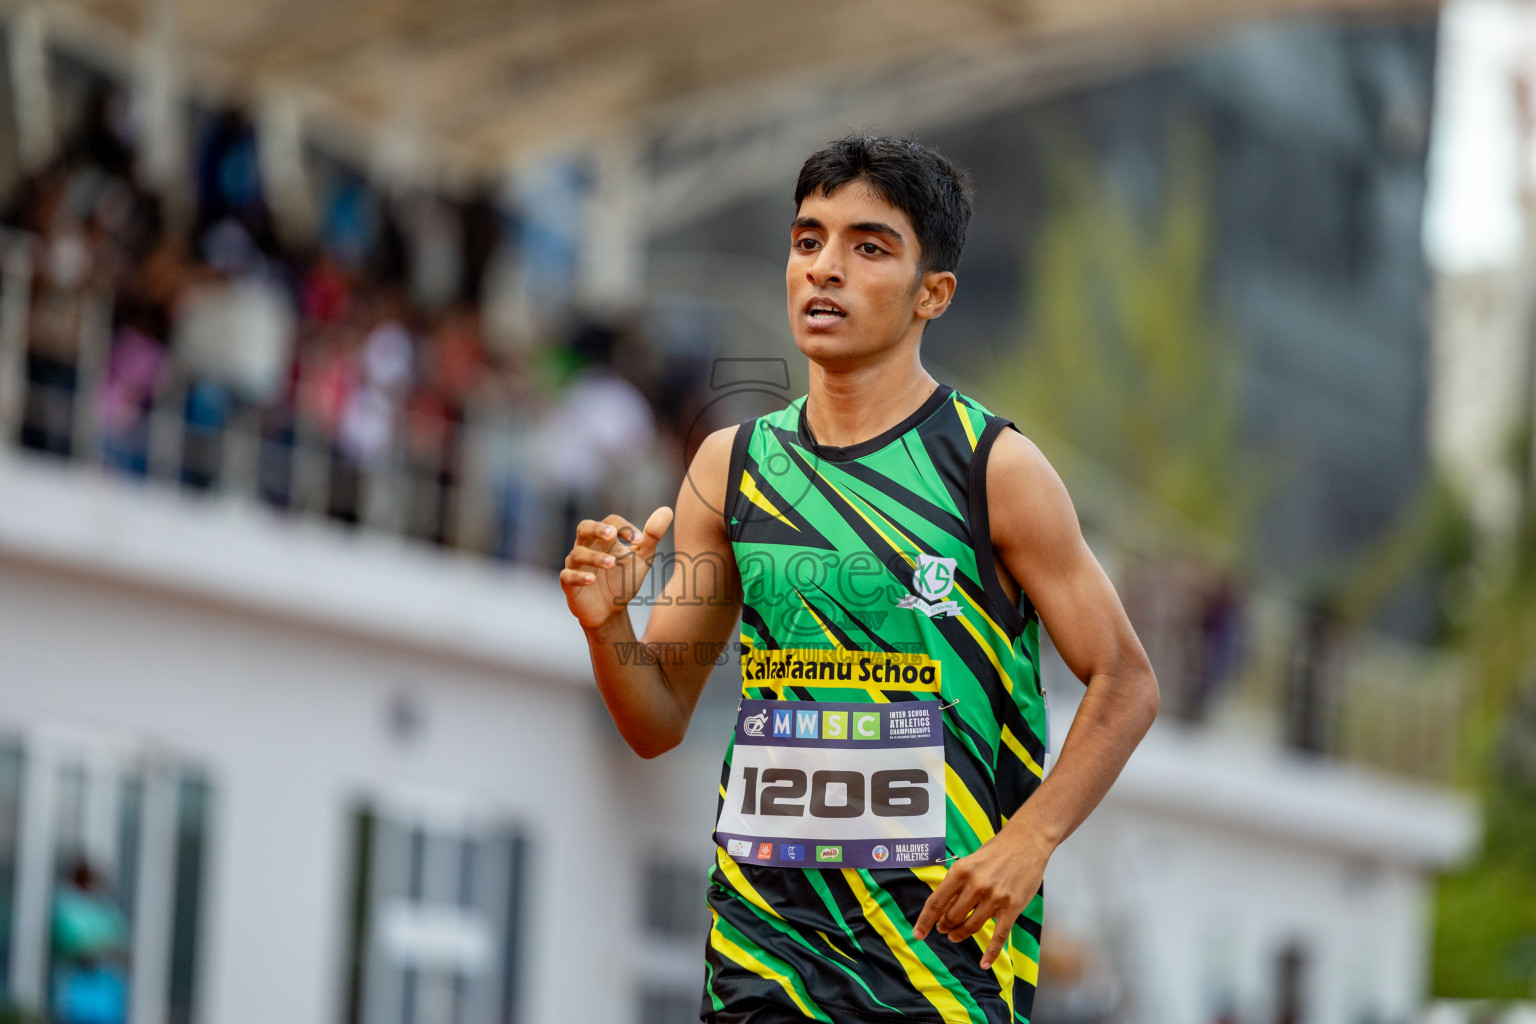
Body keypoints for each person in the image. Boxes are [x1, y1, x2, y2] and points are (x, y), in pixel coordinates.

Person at [560, 136, 1160, 1024]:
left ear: (933, 294)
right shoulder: (729, 469)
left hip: (940, 969)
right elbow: (656, 721)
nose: (826, 270)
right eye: (809, 241)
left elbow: (1128, 681)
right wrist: (608, 627)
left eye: (868, 247)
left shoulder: (993, 469)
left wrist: (1031, 838)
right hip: (763, 959)